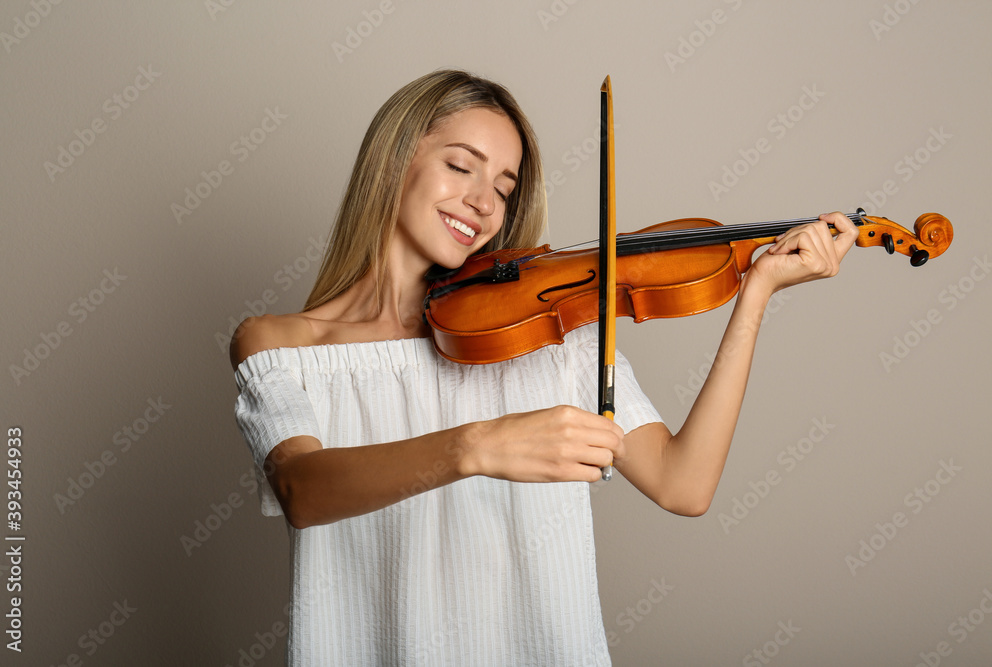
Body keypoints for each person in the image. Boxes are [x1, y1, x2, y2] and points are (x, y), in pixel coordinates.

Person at [230, 69, 857, 665]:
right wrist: (479, 445)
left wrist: (756, 294)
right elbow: (301, 490)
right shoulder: (282, 347)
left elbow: (683, 484)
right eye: (459, 167)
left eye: (504, 189)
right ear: (394, 162)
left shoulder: (545, 331)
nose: (483, 203)